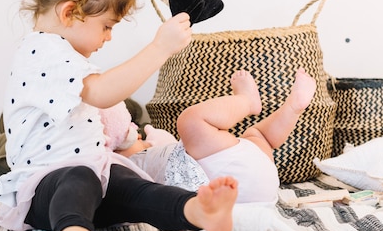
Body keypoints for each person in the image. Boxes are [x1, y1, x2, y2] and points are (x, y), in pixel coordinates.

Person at [0, 0, 238, 231]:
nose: (108, 37)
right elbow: (103, 93)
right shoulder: (42, 50)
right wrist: (159, 49)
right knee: (78, 178)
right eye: (106, 26)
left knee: (135, 187)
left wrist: (126, 147)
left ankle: (196, 211)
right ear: (70, 12)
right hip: (43, 190)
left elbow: (99, 116)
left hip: (95, 176)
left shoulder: (66, 57)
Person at [126, 68, 317, 207]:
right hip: (248, 185)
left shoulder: (150, 146)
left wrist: (145, 138)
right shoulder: (118, 163)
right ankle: (250, 101)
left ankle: (291, 108)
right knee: (191, 121)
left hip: (235, 178)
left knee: (258, 137)